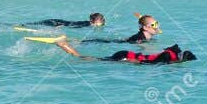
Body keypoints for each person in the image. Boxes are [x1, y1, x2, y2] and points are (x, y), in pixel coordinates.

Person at [39, 36, 195, 64]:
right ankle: (65, 46)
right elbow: (145, 64)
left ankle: (66, 45)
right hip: (125, 57)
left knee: (99, 59)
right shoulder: (168, 58)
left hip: (126, 53)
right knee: (91, 59)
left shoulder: (170, 53)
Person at [22, 13, 106, 29]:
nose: (101, 23)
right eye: (99, 21)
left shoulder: (89, 23)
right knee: (34, 24)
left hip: (58, 21)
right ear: (92, 21)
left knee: (35, 24)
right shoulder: (87, 24)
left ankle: (23, 25)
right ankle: (21, 25)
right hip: (56, 23)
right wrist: (60, 26)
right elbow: (75, 26)